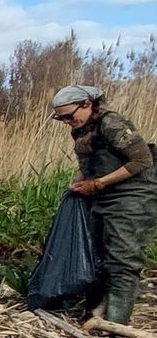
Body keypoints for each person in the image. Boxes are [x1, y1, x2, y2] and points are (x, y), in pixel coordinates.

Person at [51, 84, 157, 325]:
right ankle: (95, 314)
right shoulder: (80, 130)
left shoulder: (113, 124)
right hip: (102, 198)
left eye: (69, 116)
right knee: (97, 257)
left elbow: (142, 160)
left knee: (122, 261)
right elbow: (88, 165)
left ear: (87, 104)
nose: (67, 122)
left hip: (134, 198)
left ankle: (115, 324)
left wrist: (98, 184)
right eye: (61, 118)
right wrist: (81, 184)